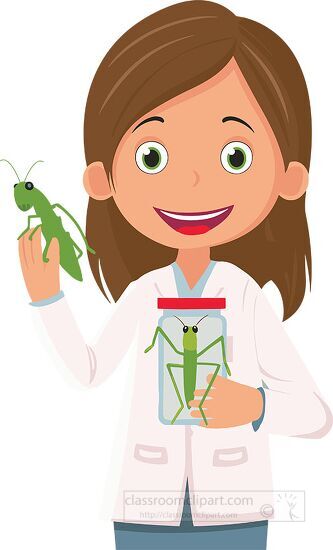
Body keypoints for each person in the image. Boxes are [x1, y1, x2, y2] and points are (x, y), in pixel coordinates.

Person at [18, 2, 332, 549]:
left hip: (235, 510)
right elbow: (89, 371)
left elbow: (314, 414)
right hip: (146, 506)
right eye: (153, 156)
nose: (191, 180)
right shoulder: (146, 294)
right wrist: (48, 300)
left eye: (235, 156)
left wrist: (253, 407)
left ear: (288, 176)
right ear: (102, 178)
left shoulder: (245, 298)